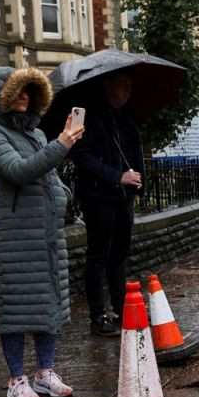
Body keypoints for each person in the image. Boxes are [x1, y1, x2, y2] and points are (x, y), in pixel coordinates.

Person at [0, 66, 85, 397]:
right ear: (0, 96)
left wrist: (63, 195)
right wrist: (62, 143)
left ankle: (45, 374)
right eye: (17, 91)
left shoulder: (35, 134)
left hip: (48, 236)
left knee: (48, 306)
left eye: (29, 91)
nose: (25, 97)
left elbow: (45, 173)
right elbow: (19, 172)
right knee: (16, 311)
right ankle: (16, 379)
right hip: (16, 238)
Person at [68, 71, 144, 336]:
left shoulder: (123, 116)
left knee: (119, 256)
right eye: (123, 86)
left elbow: (132, 150)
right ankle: (97, 315)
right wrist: (117, 176)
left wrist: (136, 182)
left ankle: (121, 308)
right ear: (107, 85)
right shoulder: (84, 114)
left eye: (130, 87)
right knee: (98, 255)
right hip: (99, 197)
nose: (127, 92)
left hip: (123, 198)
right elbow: (80, 157)